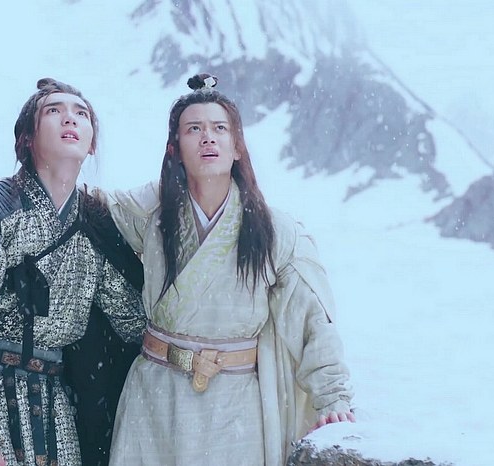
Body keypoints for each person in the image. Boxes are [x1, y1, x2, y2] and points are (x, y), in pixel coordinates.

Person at [103, 73, 355, 465]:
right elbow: (89, 208)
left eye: (220, 128)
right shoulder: (152, 214)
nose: (208, 137)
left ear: (237, 146)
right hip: (153, 399)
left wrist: (333, 397)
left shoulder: (276, 230)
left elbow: (312, 322)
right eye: (194, 129)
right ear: (174, 149)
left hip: (235, 406)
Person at [0, 78, 145, 466]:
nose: (70, 118)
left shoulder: (95, 225)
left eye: (81, 113)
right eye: (54, 111)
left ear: (92, 143)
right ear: (26, 138)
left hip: (58, 411)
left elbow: (132, 320)